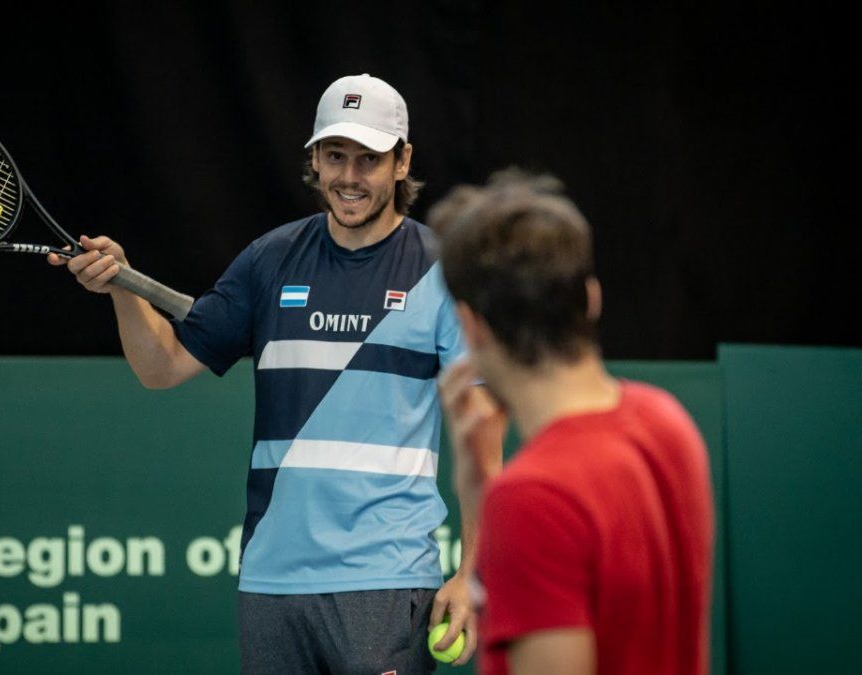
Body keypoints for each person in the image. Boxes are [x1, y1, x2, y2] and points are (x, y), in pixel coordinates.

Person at [51, 74, 499, 673]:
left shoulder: (442, 270)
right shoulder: (268, 260)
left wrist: (472, 573)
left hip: (385, 580)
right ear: (314, 159)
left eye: (369, 159)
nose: (349, 176)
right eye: (335, 156)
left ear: (402, 162)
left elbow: (481, 434)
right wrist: (122, 292)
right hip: (270, 579)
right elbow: (161, 367)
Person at [431, 170, 715, 675]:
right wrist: (480, 491)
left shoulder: (532, 500)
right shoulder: (668, 421)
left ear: (470, 326)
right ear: (591, 297)